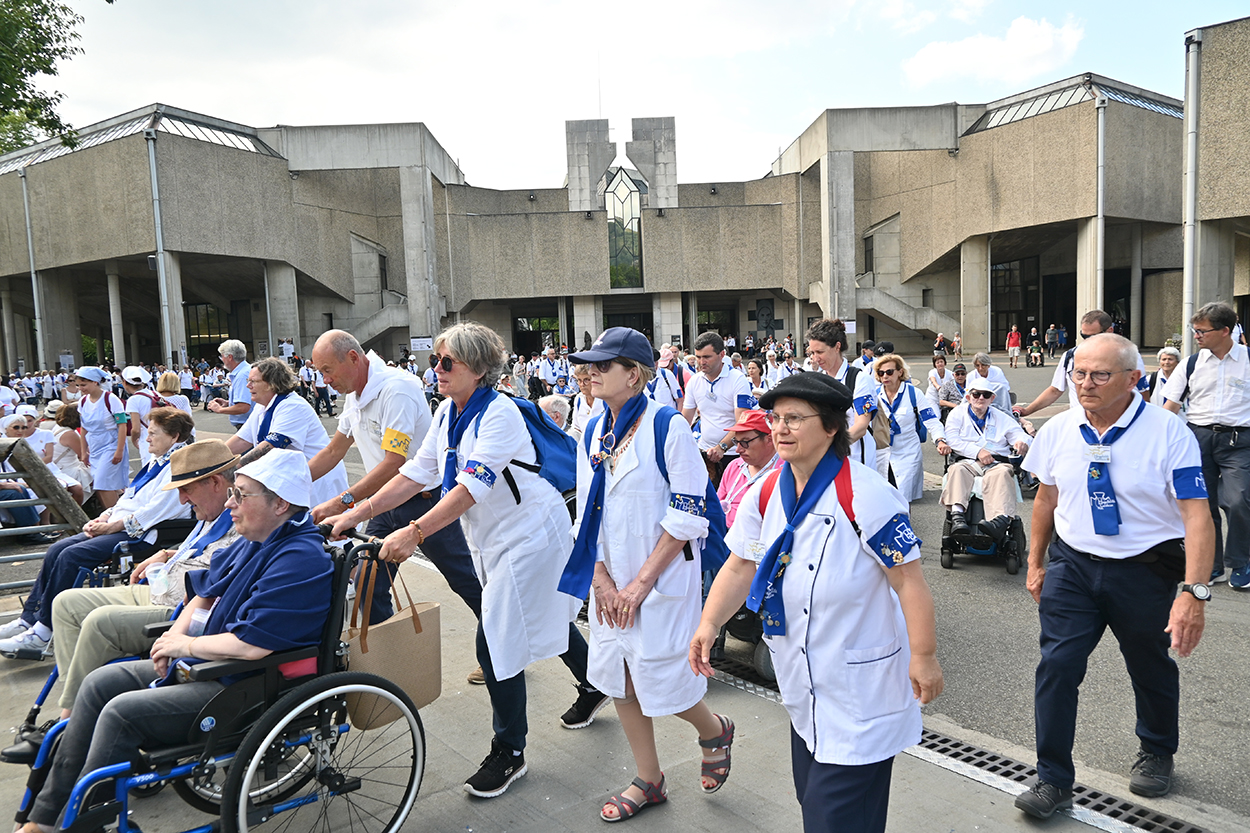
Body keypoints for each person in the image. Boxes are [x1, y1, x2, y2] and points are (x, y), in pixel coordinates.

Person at [328, 322, 602, 799]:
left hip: (532, 536)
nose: (435, 369)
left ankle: (509, 750)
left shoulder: (500, 414)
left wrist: (414, 532)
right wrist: (355, 511)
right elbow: (416, 473)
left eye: (446, 362)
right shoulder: (446, 414)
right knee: (540, 616)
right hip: (494, 539)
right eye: (435, 360)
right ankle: (595, 683)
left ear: (477, 369)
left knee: (494, 638)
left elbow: (471, 488)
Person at [14, 448, 333, 833]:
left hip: (244, 683)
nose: (230, 503)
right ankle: (46, 816)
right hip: (209, 665)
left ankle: (84, 818)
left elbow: (253, 645)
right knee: (99, 683)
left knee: (121, 712)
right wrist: (175, 635)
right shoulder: (254, 540)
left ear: (280, 504)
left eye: (240, 495)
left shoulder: (300, 559)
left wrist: (186, 647)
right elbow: (204, 590)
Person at [690, 372, 943, 833]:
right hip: (804, 690)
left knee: (834, 819)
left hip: (859, 693)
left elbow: (909, 582)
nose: (779, 429)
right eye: (775, 418)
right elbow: (740, 565)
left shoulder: (867, 495)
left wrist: (924, 656)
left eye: (794, 418)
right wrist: (709, 623)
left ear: (830, 427)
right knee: (816, 806)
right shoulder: (767, 491)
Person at [1015, 334, 1214, 819]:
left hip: (1143, 570)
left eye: (1100, 375)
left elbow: (1196, 516)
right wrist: (1036, 562)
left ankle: (1157, 749)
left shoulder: (1169, 433)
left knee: (1149, 664)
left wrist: (1193, 593)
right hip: (1073, 566)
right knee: (1057, 667)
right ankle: (1053, 778)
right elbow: (1046, 498)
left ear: (1133, 380)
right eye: (1078, 374)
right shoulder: (1059, 430)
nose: (1085, 384)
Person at [558, 328, 734, 821]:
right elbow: (586, 513)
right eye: (589, 365)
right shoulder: (593, 429)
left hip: (661, 579)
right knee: (620, 677)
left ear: (633, 375)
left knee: (662, 677)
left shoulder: (665, 426)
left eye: (603, 366)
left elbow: (688, 514)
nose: (590, 373)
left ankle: (714, 729)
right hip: (611, 581)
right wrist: (602, 581)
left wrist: (639, 585)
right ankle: (649, 778)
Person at [45, 441, 239, 721]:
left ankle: (69, 717)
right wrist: (166, 553)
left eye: (186, 489)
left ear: (216, 483)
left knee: (100, 622)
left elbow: (227, 572)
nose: (182, 500)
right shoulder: (211, 509)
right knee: (65, 603)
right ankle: (76, 696)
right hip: (159, 586)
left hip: (181, 607)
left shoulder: (240, 517)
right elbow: (201, 548)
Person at [307, 331, 482, 635]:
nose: (325, 380)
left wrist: (343, 503)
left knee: (467, 582)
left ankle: (505, 644)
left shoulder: (396, 389)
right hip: (385, 503)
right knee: (366, 585)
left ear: (353, 358)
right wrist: (287, 486)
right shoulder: (355, 395)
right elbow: (334, 450)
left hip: (423, 501)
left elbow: (394, 463)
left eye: (327, 370)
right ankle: (392, 655)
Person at [0, 409, 195, 656]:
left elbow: (156, 511)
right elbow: (130, 498)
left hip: (145, 534)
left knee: (71, 556)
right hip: (123, 525)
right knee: (57, 548)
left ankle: (43, 632)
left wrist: (112, 525)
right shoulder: (158, 462)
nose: (147, 438)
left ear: (174, 437)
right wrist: (103, 516)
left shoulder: (177, 466)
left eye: (154, 433)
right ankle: (29, 619)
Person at [1163, 301, 1250, 588]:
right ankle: (1212, 565)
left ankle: (1241, 561)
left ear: (1225, 331)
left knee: (1238, 500)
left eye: (1202, 331)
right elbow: (1170, 406)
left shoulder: (1248, 359)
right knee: (1201, 503)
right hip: (1198, 438)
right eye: (1195, 330)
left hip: (1240, 440)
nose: (1197, 336)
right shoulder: (1191, 363)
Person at [225, 357, 349, 507]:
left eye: (253, 381)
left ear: (271, 384)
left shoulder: (292, 406)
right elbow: (242, 440)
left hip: (317, 481)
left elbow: (271, 445)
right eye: (248, 380)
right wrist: (212, 458)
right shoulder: (262, 406)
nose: (248, 385)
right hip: (294, 478)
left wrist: (233, 470)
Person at [940, 376, 1031, 540]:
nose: (981, 398)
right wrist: (978, 452)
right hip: (968, 460)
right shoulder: (957, 414)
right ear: (968, 397)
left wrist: (1021, 442)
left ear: (992, 398)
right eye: (976, 394)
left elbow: (1019, 434)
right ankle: (958, 517)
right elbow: (952, 440)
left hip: (996, 462)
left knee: (1003, 473)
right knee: (957, 470)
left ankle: (1000, 521)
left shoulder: (1001, 417)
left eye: (986, 395)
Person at [1018, 311, 1150, 418]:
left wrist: (1146, 420)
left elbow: (1142, 391)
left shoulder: (1128, 356)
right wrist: (1028, 410)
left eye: (1093, 337)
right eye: (1083, 335)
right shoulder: (1070, 356)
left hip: (1122, 423)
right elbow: (1055, 390)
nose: (1087, 341)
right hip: (1080, 425)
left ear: (1109, 331)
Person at [872, 354, 948, 501]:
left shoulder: (913, 393)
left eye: (889, 372)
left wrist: (940, 440)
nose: (885, 376)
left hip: (908, 452)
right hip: (881, 453)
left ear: (900, 372)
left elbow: (931, 420)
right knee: (882, 499)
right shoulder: (875, 395)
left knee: (902, 498)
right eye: (881, 373)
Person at [805, 319, 878, 471]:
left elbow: (861, 426)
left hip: (855, 459)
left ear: (837, 347)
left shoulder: (859, 379)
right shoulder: (818, 380)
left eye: (820, 352)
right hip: (825, 460)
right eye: (812, 353)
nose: (815, 359)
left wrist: (830, 448)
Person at [683, 331, 752, 487]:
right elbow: (685, 419)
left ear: (722, 354)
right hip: (704, 453)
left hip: (733, 454)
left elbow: (743, 422)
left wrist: (722, 447)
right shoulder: (694, 381)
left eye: (707, 357)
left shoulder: (738, 379)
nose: (701, 362)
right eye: (698, 357)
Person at [73, 367, 128, 508]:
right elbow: (84, 427)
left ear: (95, 382)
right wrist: (84, 451)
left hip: (111, 442)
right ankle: (111, 512)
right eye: (78, 385)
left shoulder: (110, 399)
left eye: (84, 385)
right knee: (100, 483)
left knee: (103, 482)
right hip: (94, 445)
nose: (80, 388)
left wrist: (119, 450)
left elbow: (122, 425)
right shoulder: (83, 401)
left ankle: (113, 514)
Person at [715, 409, 781, 526]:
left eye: (745, 442)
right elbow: (717, 507)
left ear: (769, 439)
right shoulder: (734, 466)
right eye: (736, 442)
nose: (738, 450)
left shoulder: (785, 472)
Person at [49, 404, 92, 502]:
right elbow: (84, 455)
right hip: (67, 470)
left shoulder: (59, 427)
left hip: (62, 466)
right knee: (101, 477)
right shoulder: (70, 434)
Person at [206, 339, 253, 430]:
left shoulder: (242, 375)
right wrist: (228, 403)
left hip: (246, 426)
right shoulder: (246, 371)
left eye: (222, 356)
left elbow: (244, 407)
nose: (222, 360)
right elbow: (248, 401)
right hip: (249, 424)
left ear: (230, 357)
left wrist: (220, 409)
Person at [569, 363, 605, 441]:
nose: (582, 384)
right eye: (579, 380)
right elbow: (576, 427)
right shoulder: (579, 399)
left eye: (586, 380)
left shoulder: (605, 399)